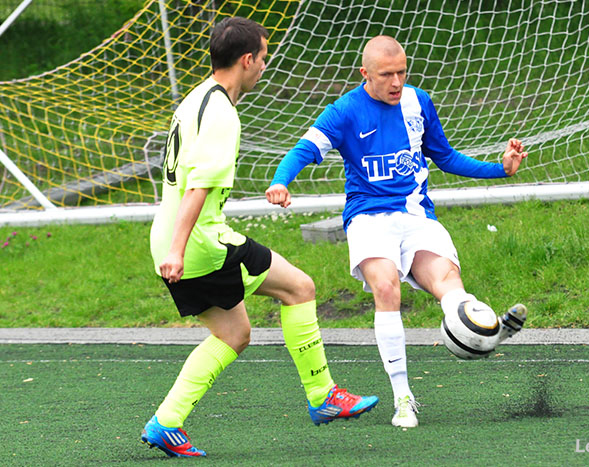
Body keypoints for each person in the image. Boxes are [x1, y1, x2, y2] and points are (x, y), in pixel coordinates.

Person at [142, 17, 378, 458]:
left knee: (233, 333)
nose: (265, 67)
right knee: (299, 288)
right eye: (264, 58)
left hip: (171, 237)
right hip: (198, 243)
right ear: (247, 60)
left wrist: (171, 247)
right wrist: (178, 250)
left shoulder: (195, 97)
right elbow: (198, 188)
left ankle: (166, 422)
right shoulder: (221, 114)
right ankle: (323, 395)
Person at [266, 35, 528, 428]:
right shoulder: (345, 111)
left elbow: (445, 156)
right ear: (365, 73)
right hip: (368, 218)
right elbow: (304, 149)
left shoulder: (418, 102)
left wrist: (500, 169)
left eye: (402, 72)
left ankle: (486, 333)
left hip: (416, 215)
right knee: (387, 288)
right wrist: (280, 181)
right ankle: (403, 397)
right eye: (386, 74)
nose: (396, 82)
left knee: (450, 287)